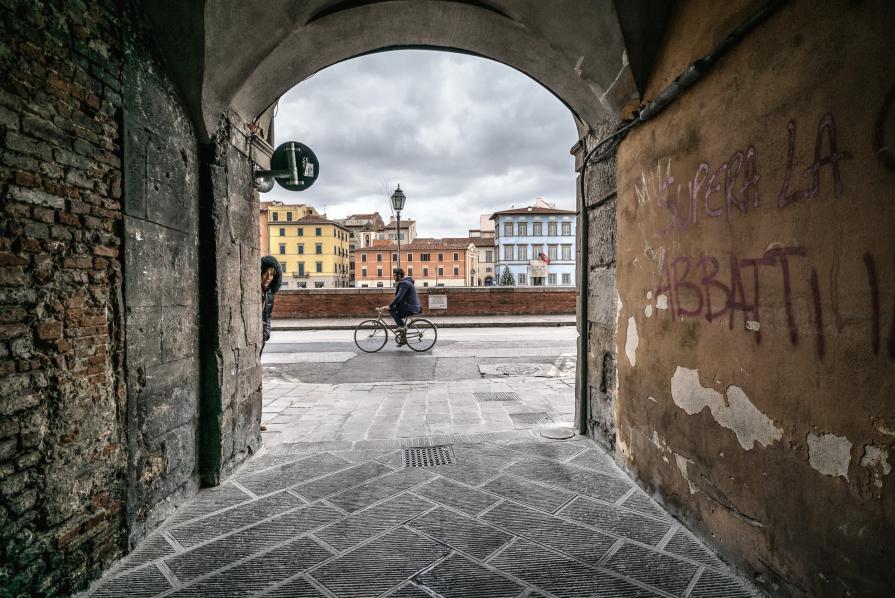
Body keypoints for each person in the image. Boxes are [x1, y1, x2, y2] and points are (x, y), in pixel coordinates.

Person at [381, 268, 420, 345]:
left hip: (409, 307)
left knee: (391, 309)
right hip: (409, 305)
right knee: (393, 310)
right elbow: (399, 297)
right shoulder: (406, 282)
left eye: (394, 275)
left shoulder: (404, 283)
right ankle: (403, 337)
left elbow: (399, 296)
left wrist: (390, 306)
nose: (393, 277)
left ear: (399, 275)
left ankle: (402, 327)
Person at [261, 256, 282, 354]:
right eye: (266, 273)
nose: (269, 278)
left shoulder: (270, 294)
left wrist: (267, 332)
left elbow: (268, 316)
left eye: (272, 275)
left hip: (262, 336)